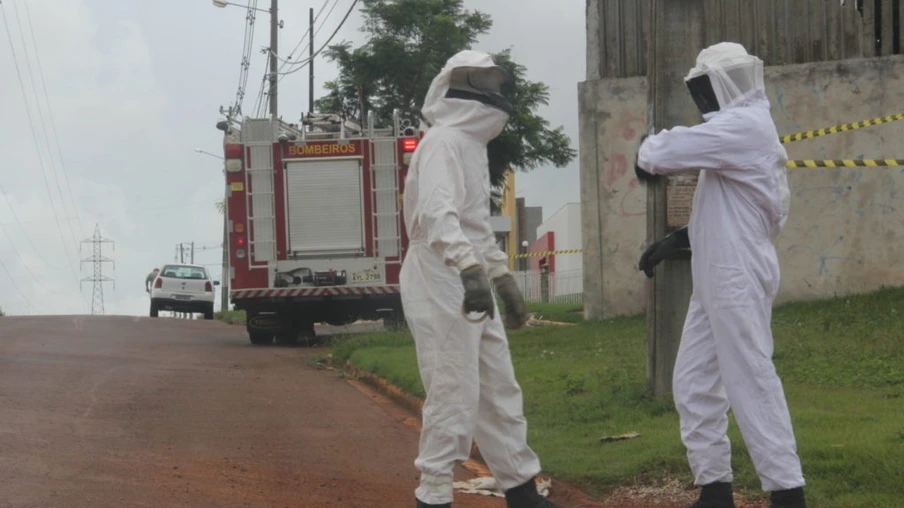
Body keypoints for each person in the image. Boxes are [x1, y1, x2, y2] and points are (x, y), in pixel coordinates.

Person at [400, 50, 575, 508]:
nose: (492, 92)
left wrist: (500, 277)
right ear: (457, 84)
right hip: (439, 273)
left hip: (464, 271)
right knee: (453, 384)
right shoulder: (442, 142)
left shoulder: (471, 147)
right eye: (483, 82)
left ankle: (520, 488)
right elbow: (438, 216)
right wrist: (470, 269)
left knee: (498, 384)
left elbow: (475, 224)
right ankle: (434, 492)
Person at [633, 42, 805, 508]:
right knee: (692, 381)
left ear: (719, 84)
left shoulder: (742, 126)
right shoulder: (742, 131)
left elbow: (662, 153)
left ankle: (788, 493)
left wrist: (644, 148)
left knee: (750, 376)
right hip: (720, 273)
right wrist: (677, 241)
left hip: (735, 274)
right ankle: (714, 489)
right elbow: (729, 214)